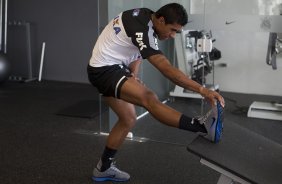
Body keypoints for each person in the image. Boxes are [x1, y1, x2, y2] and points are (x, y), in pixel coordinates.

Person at [87, 3, 225, 182]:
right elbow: (165, 68)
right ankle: (201, 126)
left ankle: (103, 168)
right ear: (161, 20)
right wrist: (202, 90)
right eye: (172, 30)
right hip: (104, 70)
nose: (172, 36)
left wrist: (132, 76)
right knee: (149, 98)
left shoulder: (146, 17)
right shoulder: (142, 28)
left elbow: (135, 51)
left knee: (128, 119)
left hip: (112, 67)